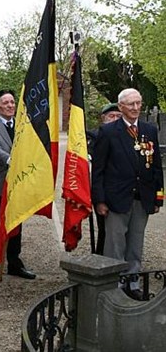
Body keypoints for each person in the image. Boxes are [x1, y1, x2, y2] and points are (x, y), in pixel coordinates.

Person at [91, 88, 163, 301]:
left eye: (138, 103)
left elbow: (156, 165)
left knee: (135, 242)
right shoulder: (109, 132)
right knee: (115, 244)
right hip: (116, 198)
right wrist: (100, 200)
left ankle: (133, 283)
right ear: (121, 107)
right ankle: (113, 286)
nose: (135, 108)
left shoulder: (149, 130)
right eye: (131, 104)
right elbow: (98, 170)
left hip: (142, 197)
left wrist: (158, 196)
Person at [0, 89, 36, 283]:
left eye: (12, 102)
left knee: (17, 221)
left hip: (18, 181)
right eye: (5, 103)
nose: (10, 105)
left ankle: (14, 261)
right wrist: (12, 159)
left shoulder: (23, 124)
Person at [86, 102, 123, 255]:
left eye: (118, 116)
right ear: (103, 118)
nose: (115, 119)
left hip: (125, 190)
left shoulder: (129, 135)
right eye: (111, 116)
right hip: (104, 189)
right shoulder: (95, 136)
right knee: (105, 230)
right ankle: (101, 257)